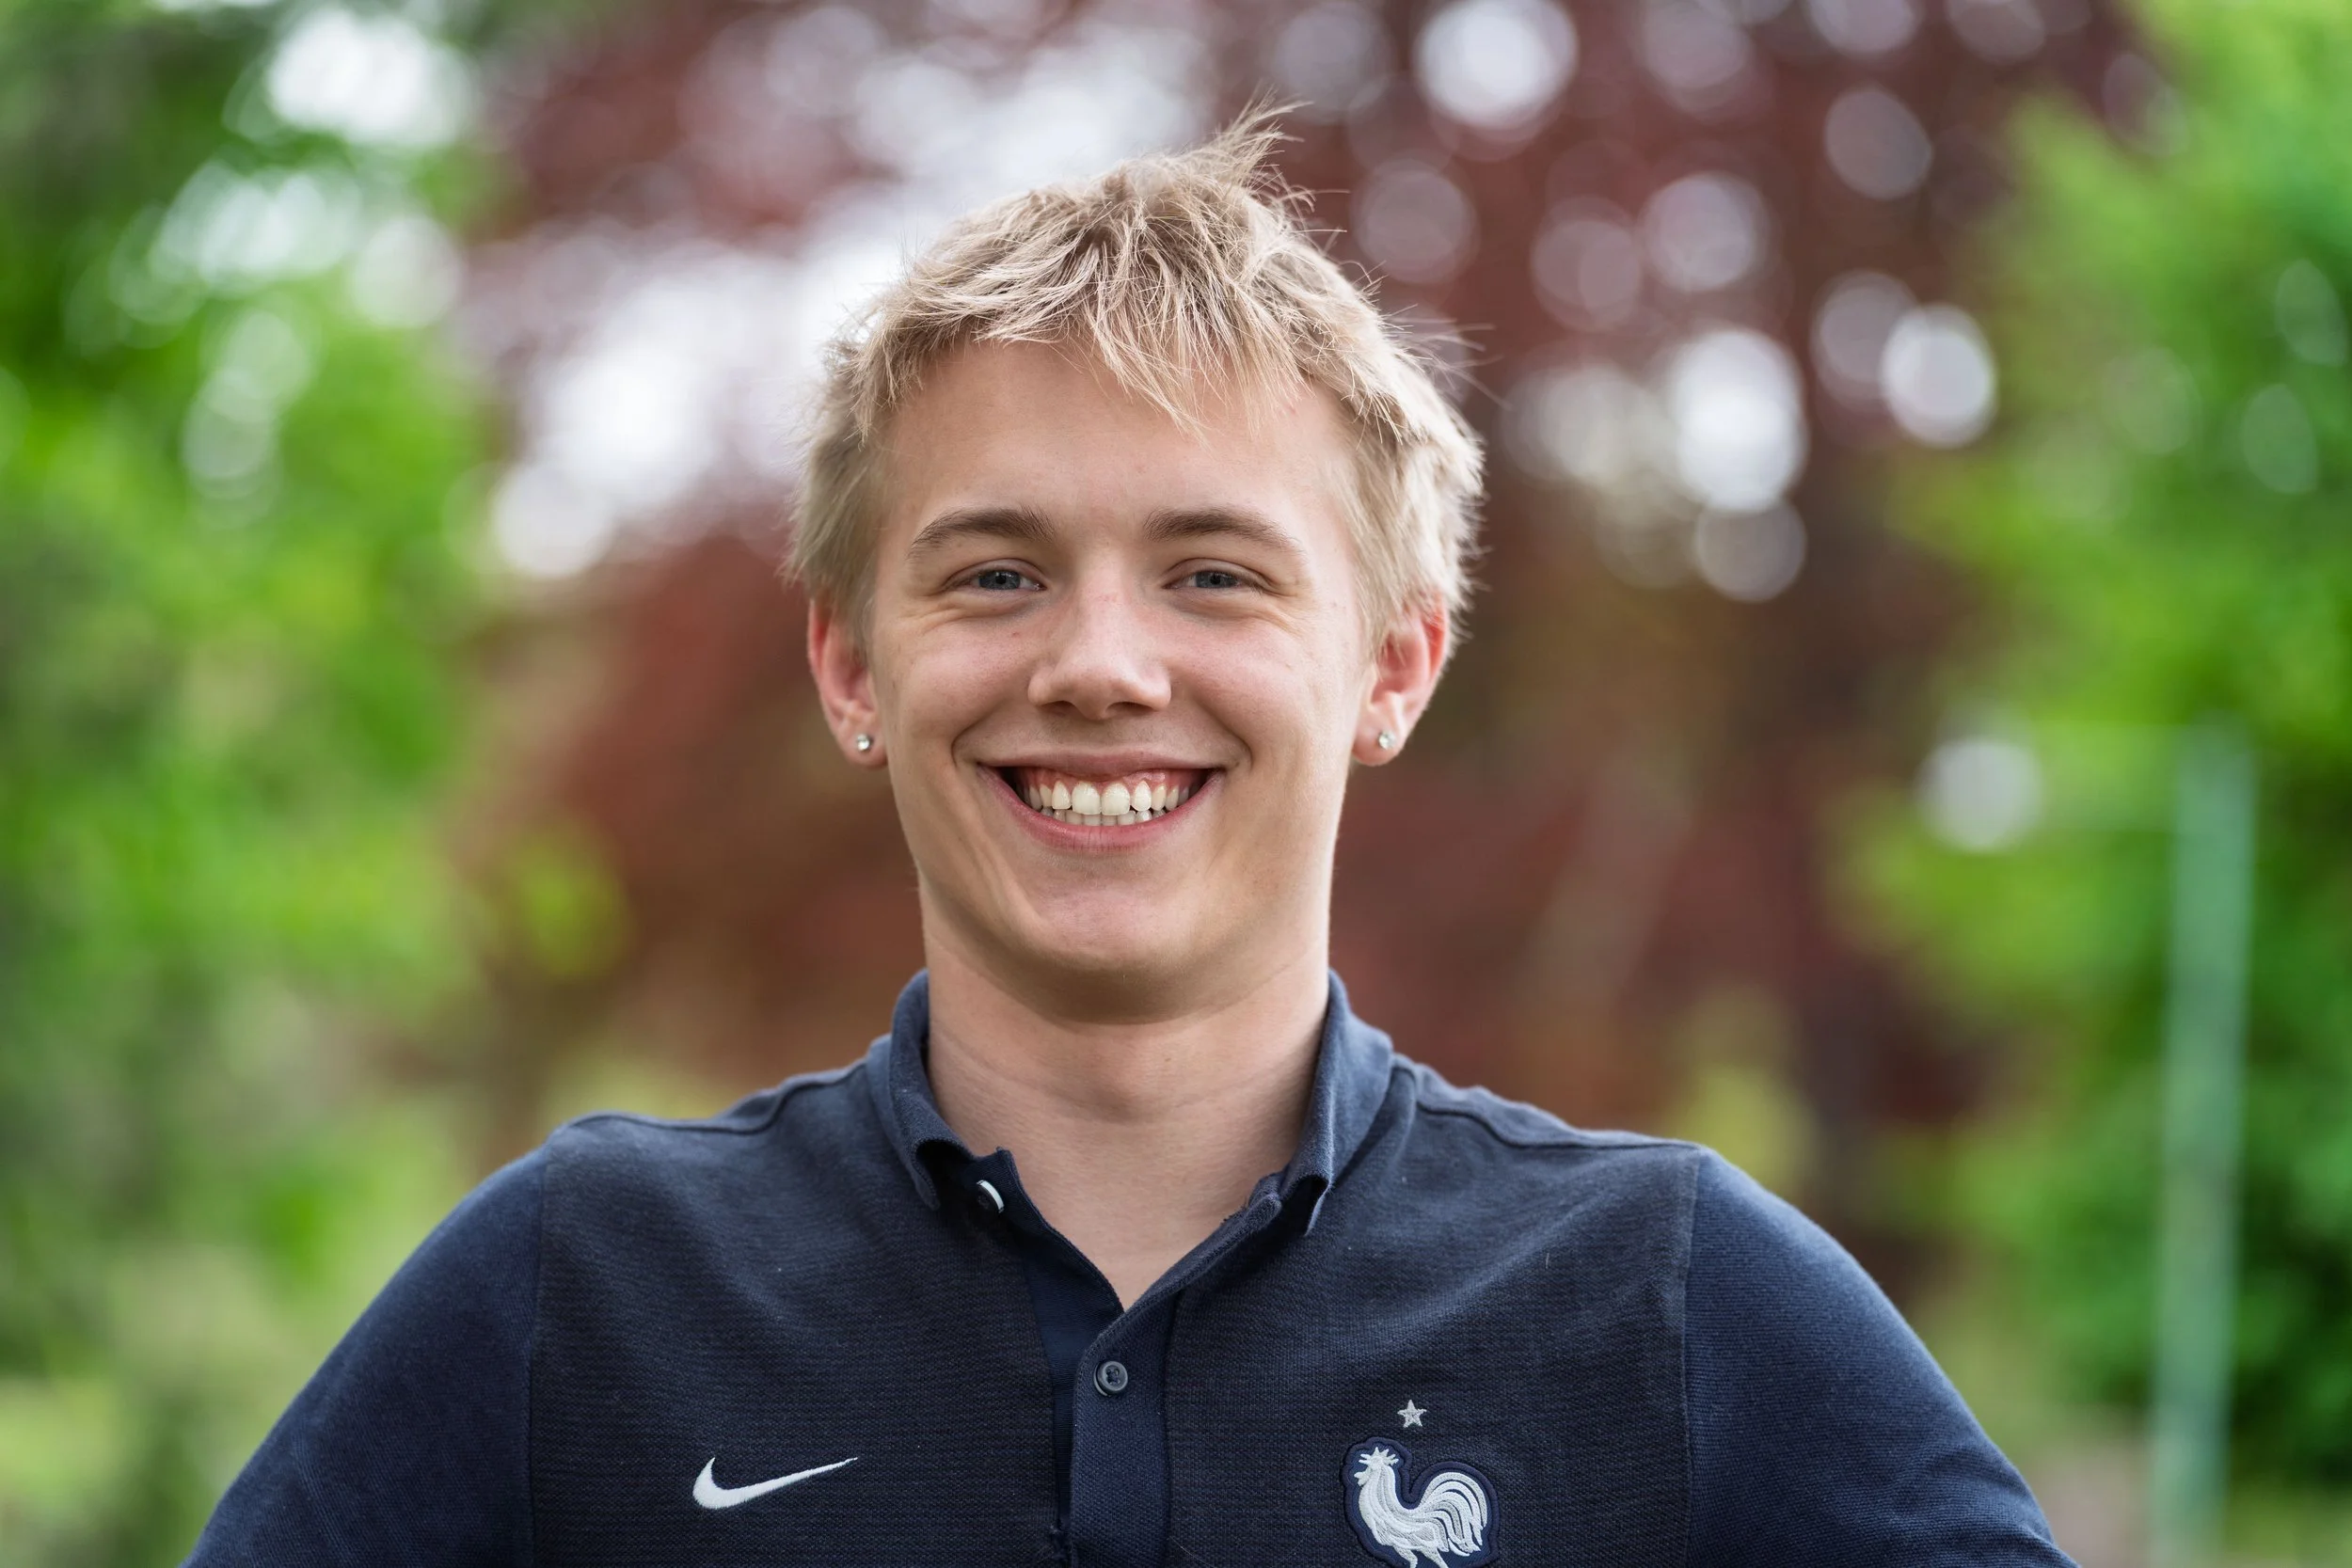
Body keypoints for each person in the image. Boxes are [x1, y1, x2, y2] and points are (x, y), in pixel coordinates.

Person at [184, 119, 2074, 1568]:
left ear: (1391, 662)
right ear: (851, 660)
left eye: (1212, 573)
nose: (1097, 663)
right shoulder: (572, 1287)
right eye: (995, 570)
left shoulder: (1670, 1300)